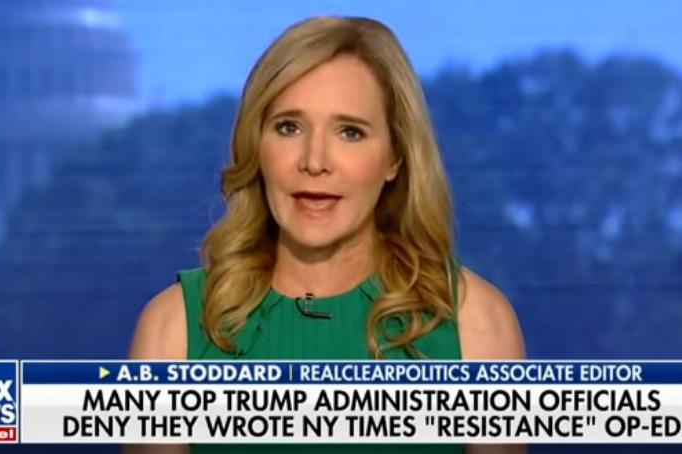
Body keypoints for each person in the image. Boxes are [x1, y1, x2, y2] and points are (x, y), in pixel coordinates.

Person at [129, 16, 525, 454]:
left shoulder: (476, 325)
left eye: (350, 132)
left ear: (395, 158)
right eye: (288, 128)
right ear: (256, 147)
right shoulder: (173, 331)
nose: (315, 161)